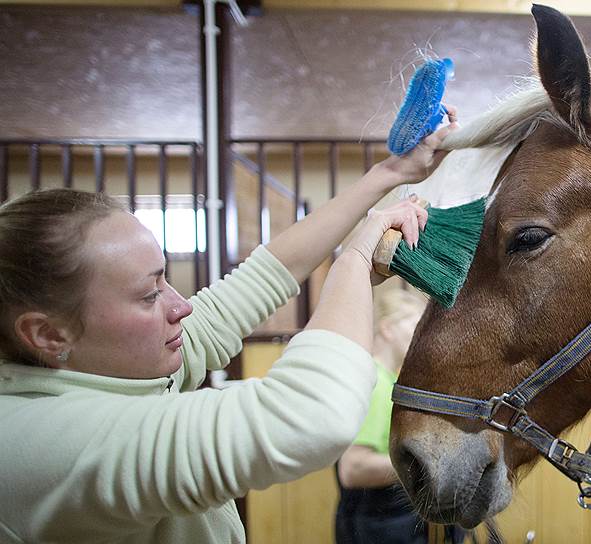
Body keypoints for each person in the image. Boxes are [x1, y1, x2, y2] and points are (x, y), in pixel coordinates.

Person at [0, 112, 458, 543]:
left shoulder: (103, 364)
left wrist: (389, 174)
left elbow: (252, 286)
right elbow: (310, 416)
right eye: (148, 295)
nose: (181, 306)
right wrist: (354, 262)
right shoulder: (41, 446)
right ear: (47, 335)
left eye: (165, 278)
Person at [335, 286, 460, 544]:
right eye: (416, 327)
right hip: (377, 526)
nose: (423, 339)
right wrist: (427, 465)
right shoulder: (376, 386)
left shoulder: (389, 382)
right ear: (388, 329)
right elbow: (353, 468)